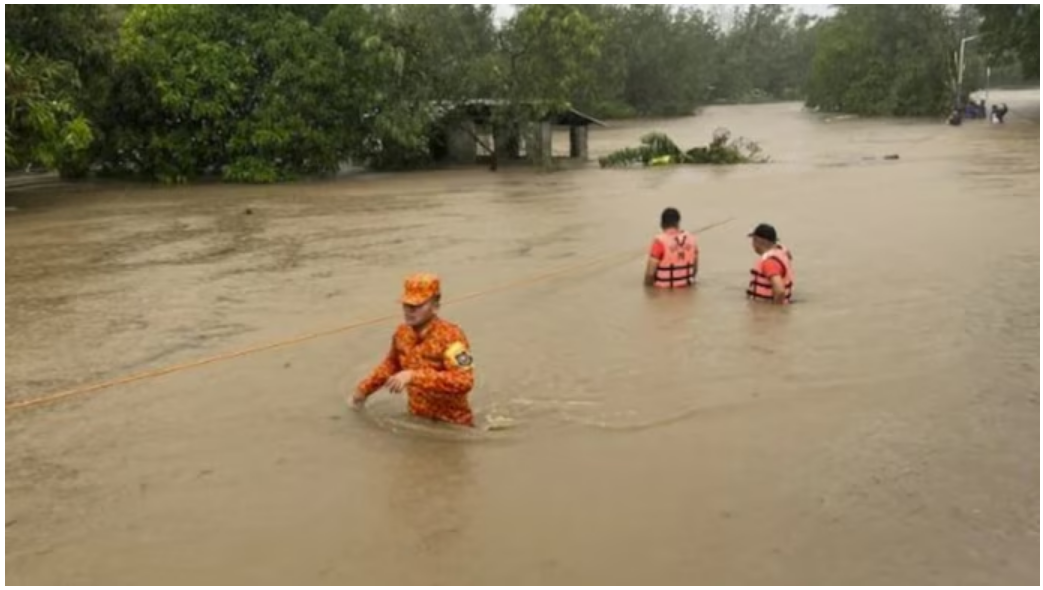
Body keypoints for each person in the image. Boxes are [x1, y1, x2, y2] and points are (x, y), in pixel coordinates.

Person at [352, 273, 476, 426]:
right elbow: (391, 365)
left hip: (453, 425)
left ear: (435, 306)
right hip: (417, 420)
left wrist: (414, 376)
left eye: (417, 306)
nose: (410, 311)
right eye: (406, 305)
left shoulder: (453, 337)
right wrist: (363, 391)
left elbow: (465, 381)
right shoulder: (402, 333)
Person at [644, 207, 699, 289]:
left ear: (662, 224)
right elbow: (695, 269)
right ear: (678, 223)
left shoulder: (659, 242)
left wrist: (647, 291)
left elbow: (650, 274)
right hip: (686, 290)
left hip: (663, 293)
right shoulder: (691, 239)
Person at [746, 223, 794, 305]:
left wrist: (774, 312)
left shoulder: (769, 262)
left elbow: (780, 291)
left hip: (766, 312)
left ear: (758, 241)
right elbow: (788, 254)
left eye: (754, 239)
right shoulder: (781, 251)